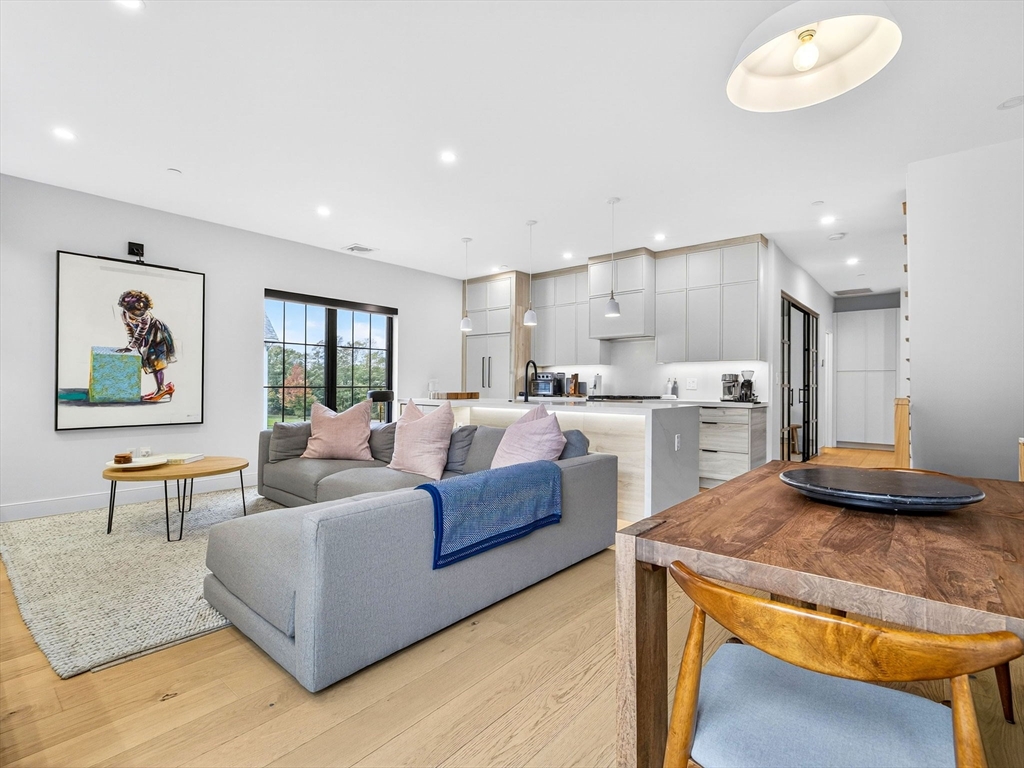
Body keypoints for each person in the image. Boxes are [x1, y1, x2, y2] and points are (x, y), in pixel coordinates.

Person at [115, 289, 177, 401]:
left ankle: (161, 389)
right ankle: (165, 387)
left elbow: (140, 333)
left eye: (141, 313)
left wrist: (132, 345)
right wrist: (130, 344)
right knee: (146, 360)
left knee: (156, 361)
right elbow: (129, 329)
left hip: (156, 336)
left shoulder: (146, 317)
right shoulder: (124, 314)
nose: (139, 316)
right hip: (144, 338)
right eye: (135, 314)